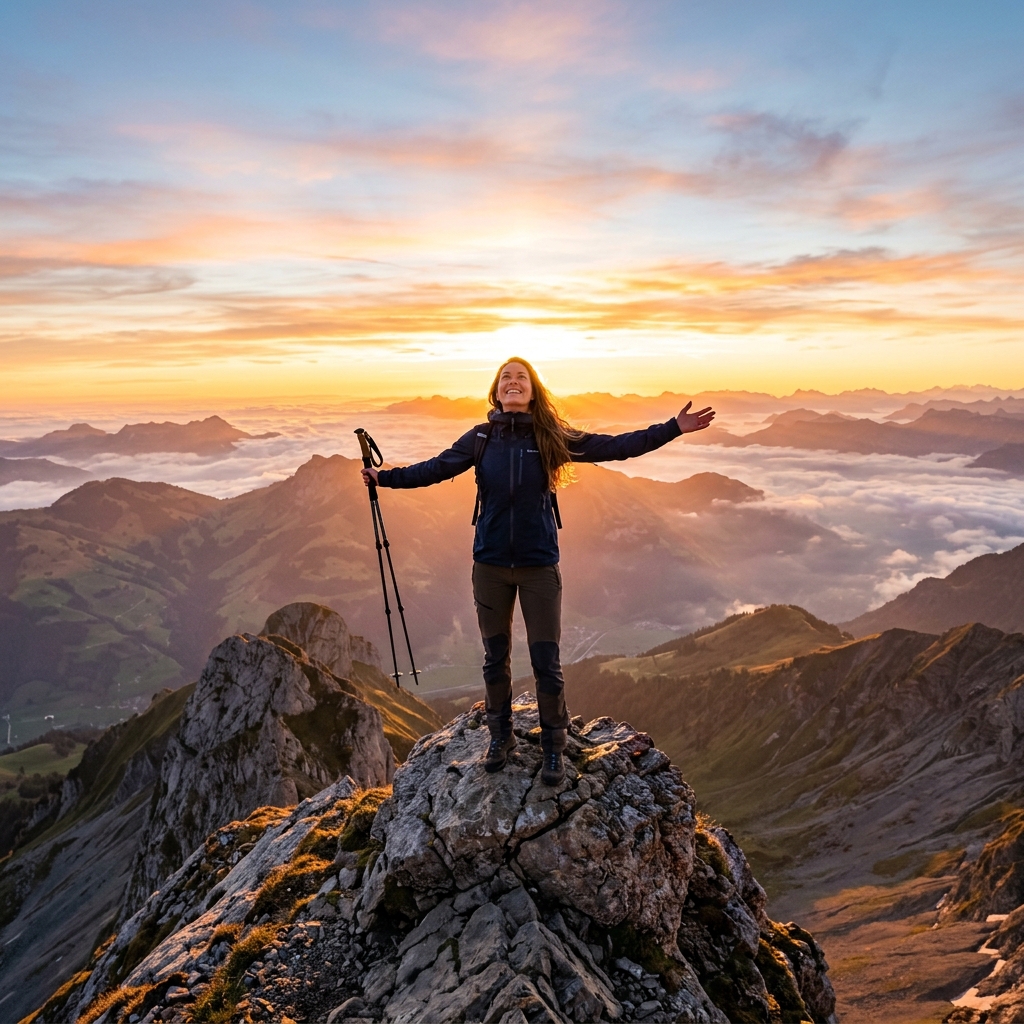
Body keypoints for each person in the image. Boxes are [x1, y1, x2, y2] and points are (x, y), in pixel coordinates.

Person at [362, 357, 714, 785]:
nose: (513, 383)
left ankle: (553, 747)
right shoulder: (480, 438)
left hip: (538, 567)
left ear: (533, 391)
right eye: (506, 378)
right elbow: (434, 469)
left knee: (547, 662)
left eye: (521, 378)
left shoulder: (551, 437)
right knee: (496, 660)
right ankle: (500, 737)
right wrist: (384, 478)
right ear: (496, 391)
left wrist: (672, 428)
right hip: (489, 565)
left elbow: (617, 446)